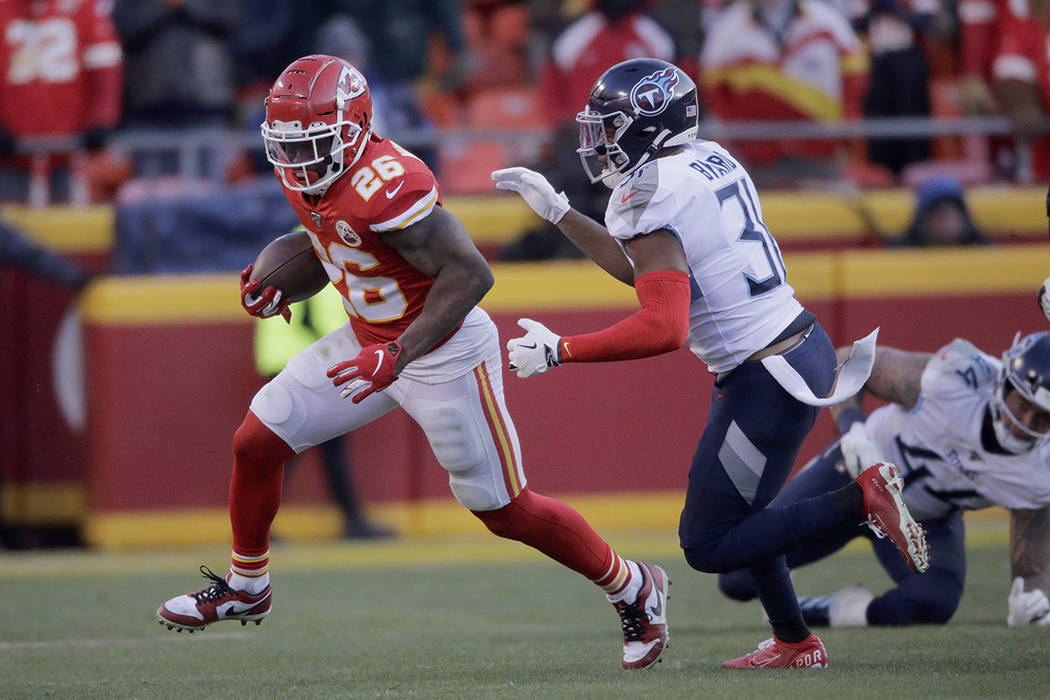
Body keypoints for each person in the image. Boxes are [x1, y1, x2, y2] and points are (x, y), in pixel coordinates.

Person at [155, 54, 670, 671]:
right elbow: (331, 244)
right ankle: (247, 583)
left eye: (311, 144)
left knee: (503, 510)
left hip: (441, 347)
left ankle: (633, 585)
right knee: (258, 439)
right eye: (287, 147)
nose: (296, 162)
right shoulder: (312, 172)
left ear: (353, 127)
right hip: (368, 339)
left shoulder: (390, 182)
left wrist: (397, 355)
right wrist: (276, 279)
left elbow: (471, 273)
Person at [490, 57, 928, 669]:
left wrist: (563, 351)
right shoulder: (707, 158)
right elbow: (645, 269)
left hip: (765, 377)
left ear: (649, 126)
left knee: (708, 544)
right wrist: (562, 213)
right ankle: (795, 640)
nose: (599, 142)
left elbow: (664, 325)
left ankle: (859, 501)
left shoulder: (649, 190)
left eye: (610, 127)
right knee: (748, 519)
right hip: (799, 346)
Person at [719, 332, 1050, 628]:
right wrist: (853, 429)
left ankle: (834, 611)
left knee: (932, 602)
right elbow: (849, 360)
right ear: (1006, 383)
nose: (1025, 422)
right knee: (737, 576)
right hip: (849, 483)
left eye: (1042, 417)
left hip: (920, 520)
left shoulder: (1040, 471)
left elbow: (1030, 568)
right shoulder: (958, 380)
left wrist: (1030, 598)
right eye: (1023, 404)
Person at [254, 275, 396, 540]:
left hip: (287, 360)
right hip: (305, 364)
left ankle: (352, 519)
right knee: (306, 448)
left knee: (314, 448)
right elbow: (311, 317)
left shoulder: (297, 248)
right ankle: (352, 520)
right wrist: (351, 352)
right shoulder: (318, 251)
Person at [0, 0, 123, 204]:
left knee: (70, 224)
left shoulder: (82, 7)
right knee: (10, 224)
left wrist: (102, 119)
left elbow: (105, 66)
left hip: (70, 151)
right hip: (10, 154)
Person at [892, 175, 989, 247]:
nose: (945, 221)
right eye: (936, 213)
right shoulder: (901, 254)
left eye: (951, 213)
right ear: (922, 219)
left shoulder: (985, 251)